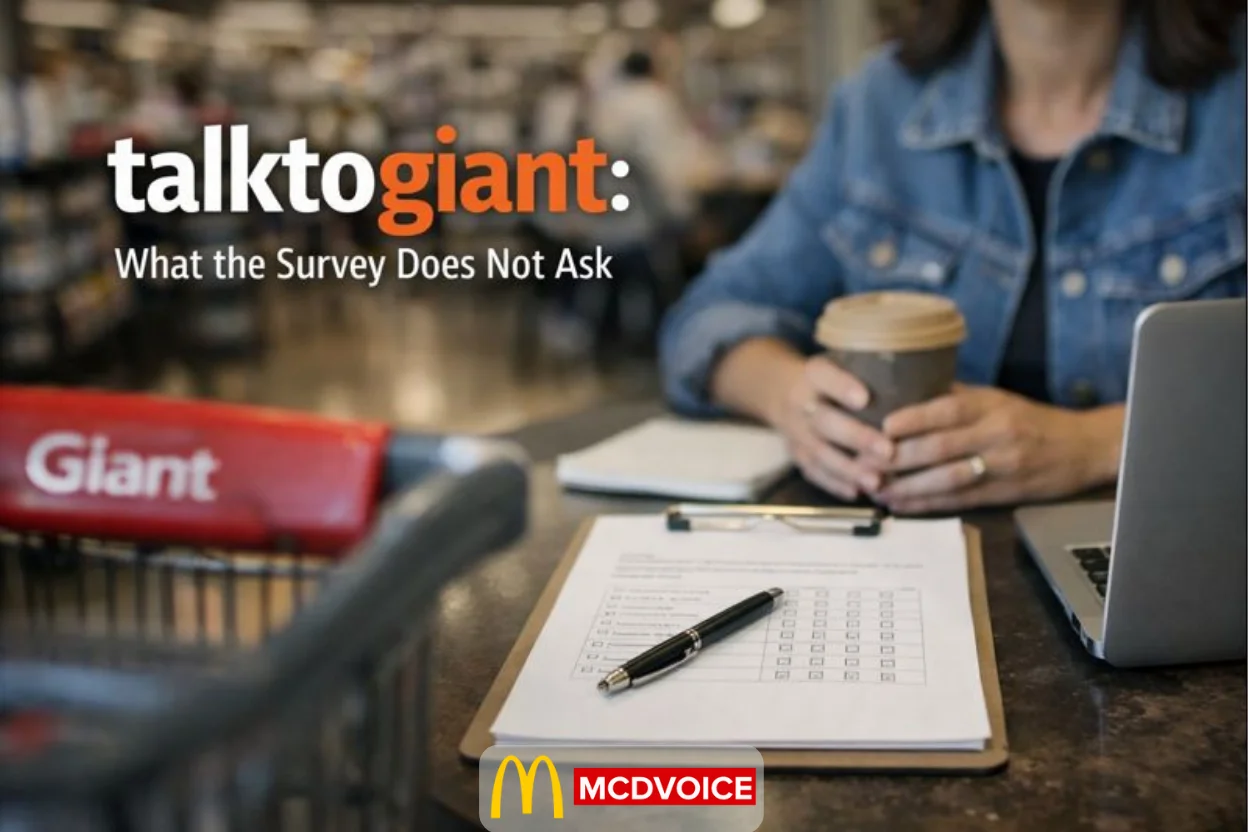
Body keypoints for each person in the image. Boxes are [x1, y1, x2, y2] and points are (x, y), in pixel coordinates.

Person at [660, 0, 1245, 514]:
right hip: (914, 557)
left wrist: (1097, 445)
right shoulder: (879, 107)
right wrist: (790, 397)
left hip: (1174, 555)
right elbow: (707, 315)